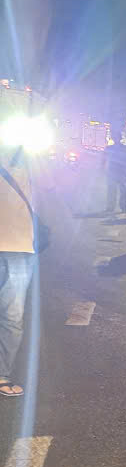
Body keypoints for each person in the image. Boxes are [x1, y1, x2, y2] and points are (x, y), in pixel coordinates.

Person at [0, 143, 38, 399]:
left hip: (19, 247)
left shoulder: (30, 159)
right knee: (12, 317)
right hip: (18, 248)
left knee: (12, 317)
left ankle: (2, 373)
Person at [104, 133, 126, 214]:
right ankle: (120, 207)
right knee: (118, 191)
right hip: (119, 172)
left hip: (118, 172)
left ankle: (116, 207)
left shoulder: (109, 148)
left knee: (117, 191)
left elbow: (104, 160)